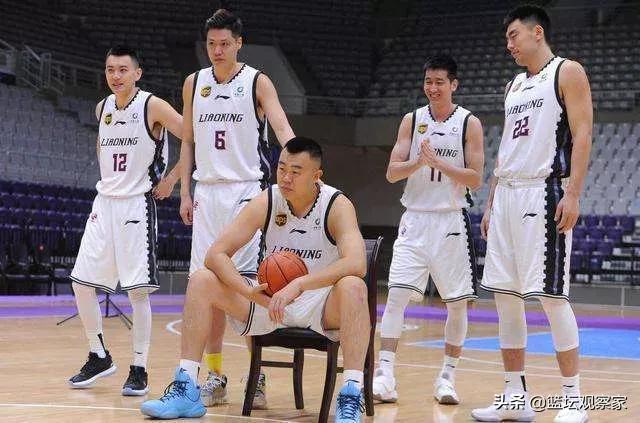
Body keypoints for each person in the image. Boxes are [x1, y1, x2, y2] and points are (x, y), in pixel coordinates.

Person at [141, 137, 370, 423]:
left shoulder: (336, 205)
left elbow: (357, 263)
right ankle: (186, 387)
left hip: (319, 304)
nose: (286, 177)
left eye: (296, 171)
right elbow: (216, 254)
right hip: (269, 301)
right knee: (201, 279)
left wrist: (300, 284)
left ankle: (351, 394)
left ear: (316, 176)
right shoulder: (268, 199)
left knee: (354, 286)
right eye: (282, 168)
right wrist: (249, 293)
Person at [471, 5, 592, 423]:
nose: (509, 45)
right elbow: (506, 148)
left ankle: (573, 400)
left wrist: (573, 193)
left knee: (552, 298)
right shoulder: (514, 86)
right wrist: (491, 202)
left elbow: (583, 134)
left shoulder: (567, 72)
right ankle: (514, 397)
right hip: (507, 195)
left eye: (513, 36)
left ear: (537, 32)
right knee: (505, 298)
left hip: (544, 192)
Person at [178, 8, 295, 407]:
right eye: (211, 44)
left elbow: (282, 128)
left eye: (225, 43)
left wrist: (299, 166)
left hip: (245, 194)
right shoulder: (194, 83)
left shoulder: (257, 82)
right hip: (206, 194)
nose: (217, 50)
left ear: (239, 43)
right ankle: (214, 376)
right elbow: (188, 140)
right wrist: (185, 192)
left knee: (243, 286)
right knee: (206, 287)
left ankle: (257, 376)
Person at [68, 46, 182, 395]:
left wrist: (172, 178)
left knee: (137, 291)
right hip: (104, 203)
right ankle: (98, 354)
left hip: (136, 205)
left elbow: (194, 136)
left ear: (137, 73)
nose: (115, 76)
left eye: (122, 69)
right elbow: (104, 150)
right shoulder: (102, 108)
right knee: (81, 283)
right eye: (110, 69)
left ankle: (139, 367)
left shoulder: (153, 106)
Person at [372, 53, 484, 405]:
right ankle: (385, 375)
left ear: (454, 84)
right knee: (395, 297)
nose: (433, 88)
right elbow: (392, 173)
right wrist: (418, 162)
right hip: (415, 219)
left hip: (450, 221)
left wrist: (440, 164)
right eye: (428, 82)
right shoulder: (411, 120)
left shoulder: (469, 123)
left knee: (457, 305)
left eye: (440, 82)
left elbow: (475, 179)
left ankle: (447, 378)